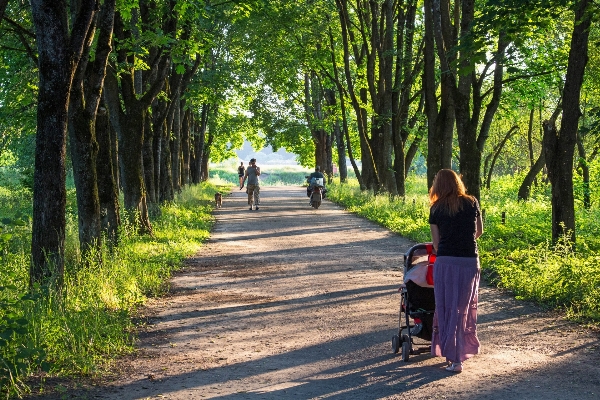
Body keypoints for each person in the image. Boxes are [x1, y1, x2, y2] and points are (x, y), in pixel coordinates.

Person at [428, 169, 483, 373]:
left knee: (447, 307)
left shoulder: (436, 208)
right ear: (458, 182)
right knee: (464, 308)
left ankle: (453, 357)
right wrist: (464, 242)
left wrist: (448, 245)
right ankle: (463, 350)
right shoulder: (472, 202)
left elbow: (436, 243)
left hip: (446, 262)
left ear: (437, 186)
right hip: (469, 261)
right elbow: (479, 231)